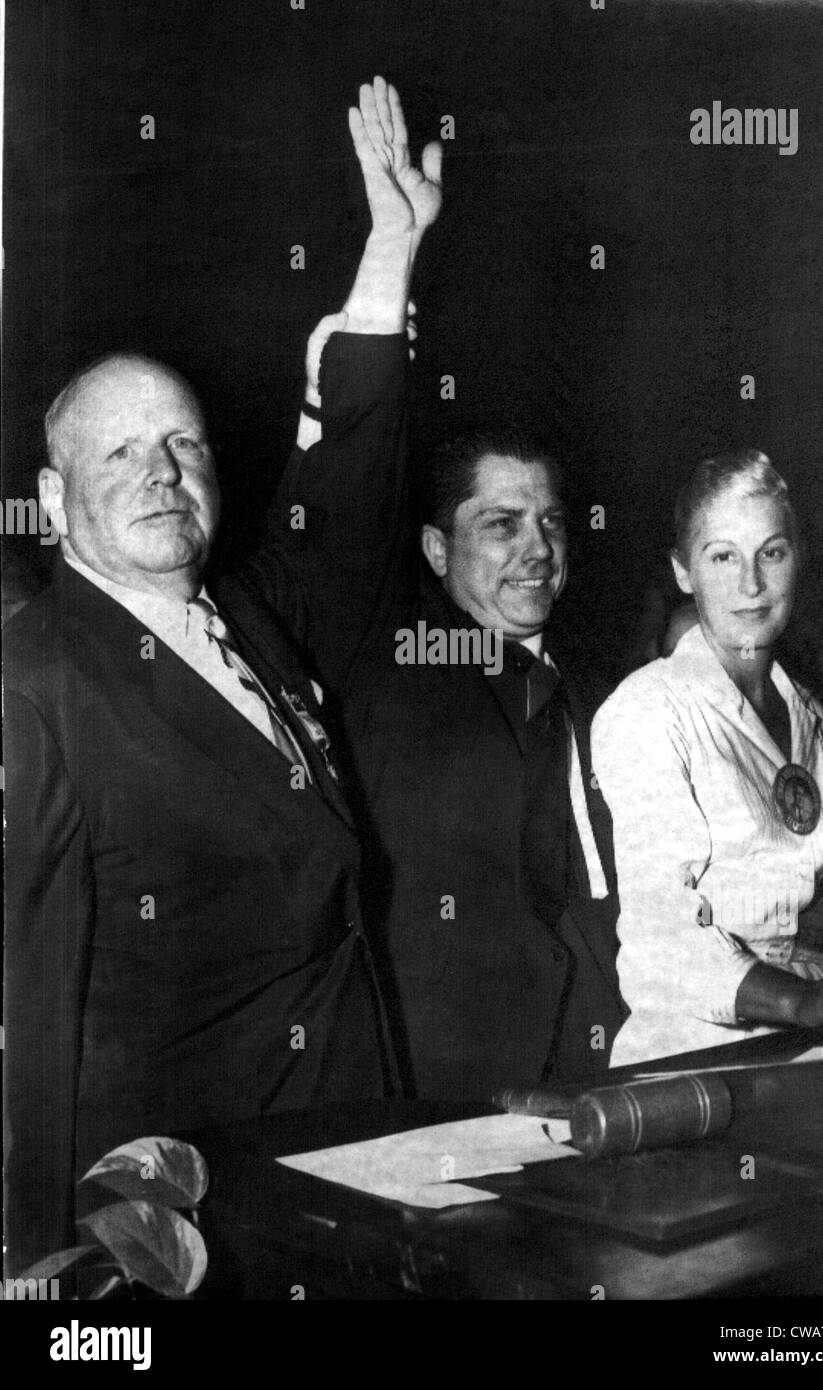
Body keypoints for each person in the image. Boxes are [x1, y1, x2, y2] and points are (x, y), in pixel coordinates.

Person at [2, 77, 438, 1274]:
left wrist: (389, 251)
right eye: (122, 451)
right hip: (179, 1230)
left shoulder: (243, 610)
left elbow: (346, 510)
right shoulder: (30, 682)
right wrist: (47, 1261)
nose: (161, 471)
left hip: (351, 1168)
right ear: (53, 501)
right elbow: (21, 996)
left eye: (183, 443)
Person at [273, 87, 624, 1102]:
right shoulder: (382, 655)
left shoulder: (600, 686)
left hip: (601, 1068)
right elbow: (339, 503)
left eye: (551, 522)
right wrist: (394, 249)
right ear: (432, 548)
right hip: (439, 1093)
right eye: (500, 524)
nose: (537, 549)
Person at [591, 448, 823, 1066]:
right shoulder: (649, 710)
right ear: (684, 572)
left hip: (813, 1038)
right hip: (692, 1056)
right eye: (722, 556)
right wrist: (803, 1000)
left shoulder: (811, 712)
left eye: (772, 553)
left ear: (797, 560)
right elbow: (661, 941)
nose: (751, 584)